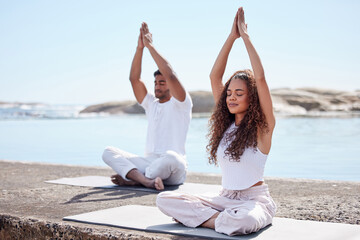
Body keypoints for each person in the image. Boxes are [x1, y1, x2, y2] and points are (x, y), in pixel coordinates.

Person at [156, 7, 276, 236]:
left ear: (252, 99)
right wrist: (232, 37)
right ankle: (220, 220)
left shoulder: (263, 129)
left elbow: (260, 78)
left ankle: (206, 220)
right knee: (165, 199)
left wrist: (246, 38)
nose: (231, 97)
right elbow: (214, 77)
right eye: (229, 93)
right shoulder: (228, 127)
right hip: (224, 199)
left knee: (245, 221)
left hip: (254, 202)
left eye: (239, 94)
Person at [102, 22, 193, 191]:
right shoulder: (151, 104)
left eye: (162, 83)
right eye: (156, 83)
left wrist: (150, 46)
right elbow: (134, 80)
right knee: (108, 151)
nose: (157, 86)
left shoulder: (182, 103)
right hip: (149, 164)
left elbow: (171, 75)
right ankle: (145, 181)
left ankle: (135, 179)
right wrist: (140, 49)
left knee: (172, 158)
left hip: (174, 168)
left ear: (171, 86)